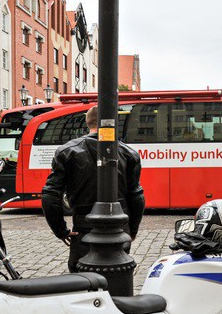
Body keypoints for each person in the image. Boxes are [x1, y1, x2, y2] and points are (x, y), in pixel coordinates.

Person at [42, 106, 145, 272]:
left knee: (84, 282)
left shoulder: (67, 151)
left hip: (84, 228)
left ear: (87, 123)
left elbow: (50, 196)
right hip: (120, 229)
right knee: (118, 278)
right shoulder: (129, 153)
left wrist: (61, 231)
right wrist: (132, 229)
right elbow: (136, 196)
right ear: (114, 123)